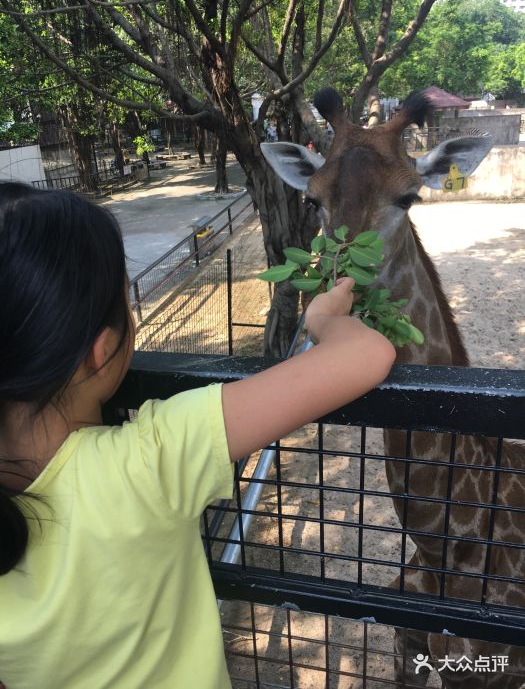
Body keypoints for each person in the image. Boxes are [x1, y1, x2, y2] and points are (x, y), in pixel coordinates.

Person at [0, 183, 396, 688]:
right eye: (126, 302)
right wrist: (321, 319)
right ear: (99, 351)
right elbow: (366, 356)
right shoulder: (151, 459)